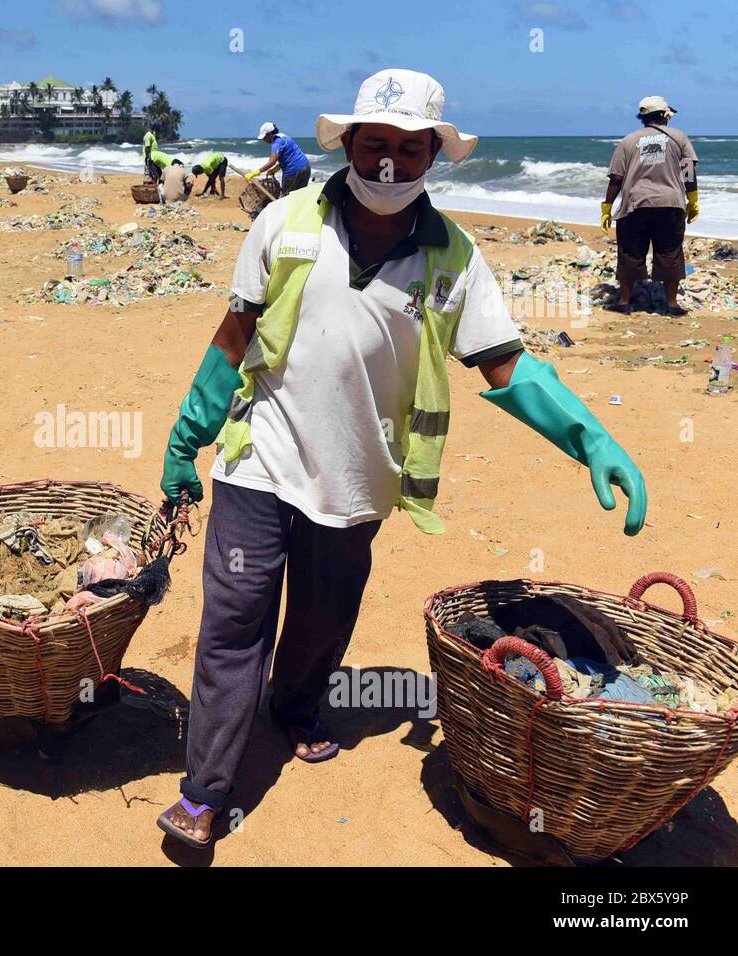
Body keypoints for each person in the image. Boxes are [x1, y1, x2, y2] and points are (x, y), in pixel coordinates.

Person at [155, 69, 647, 848]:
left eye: (409, 149)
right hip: (259, 462)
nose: (389, 163)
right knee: (233, 625)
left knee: (321, 621)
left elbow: (504, 362)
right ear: (347, 143)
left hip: (359, 479)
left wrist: (590, 436)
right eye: (375, 144)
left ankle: (293, 706)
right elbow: (234, 336)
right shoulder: (282, 225)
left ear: (433, 157)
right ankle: (205, 790)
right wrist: (189, 439)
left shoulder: (454, 257)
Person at [602, 96, 699, 316]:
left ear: (643, 117)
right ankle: (671, 304)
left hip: (636, 204)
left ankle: (625, 301)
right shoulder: (679, 138)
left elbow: (616, 178)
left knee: (630, 252)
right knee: (670, 251)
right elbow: (689, 173)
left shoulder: (628, 141)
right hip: (670, 203)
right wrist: (693, 199)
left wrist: (607, 207)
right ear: (664, 115)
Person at [247, 122, 311, 194]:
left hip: (293, 171)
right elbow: (288, 157)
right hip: (306, 167)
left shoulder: (277, 143)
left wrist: (256, 172)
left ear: (269, 134)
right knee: (300, 194)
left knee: (286, 197)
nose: (264, 140)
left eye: (264, 137)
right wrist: (275, 169)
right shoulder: (284, 137)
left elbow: (271, 162)